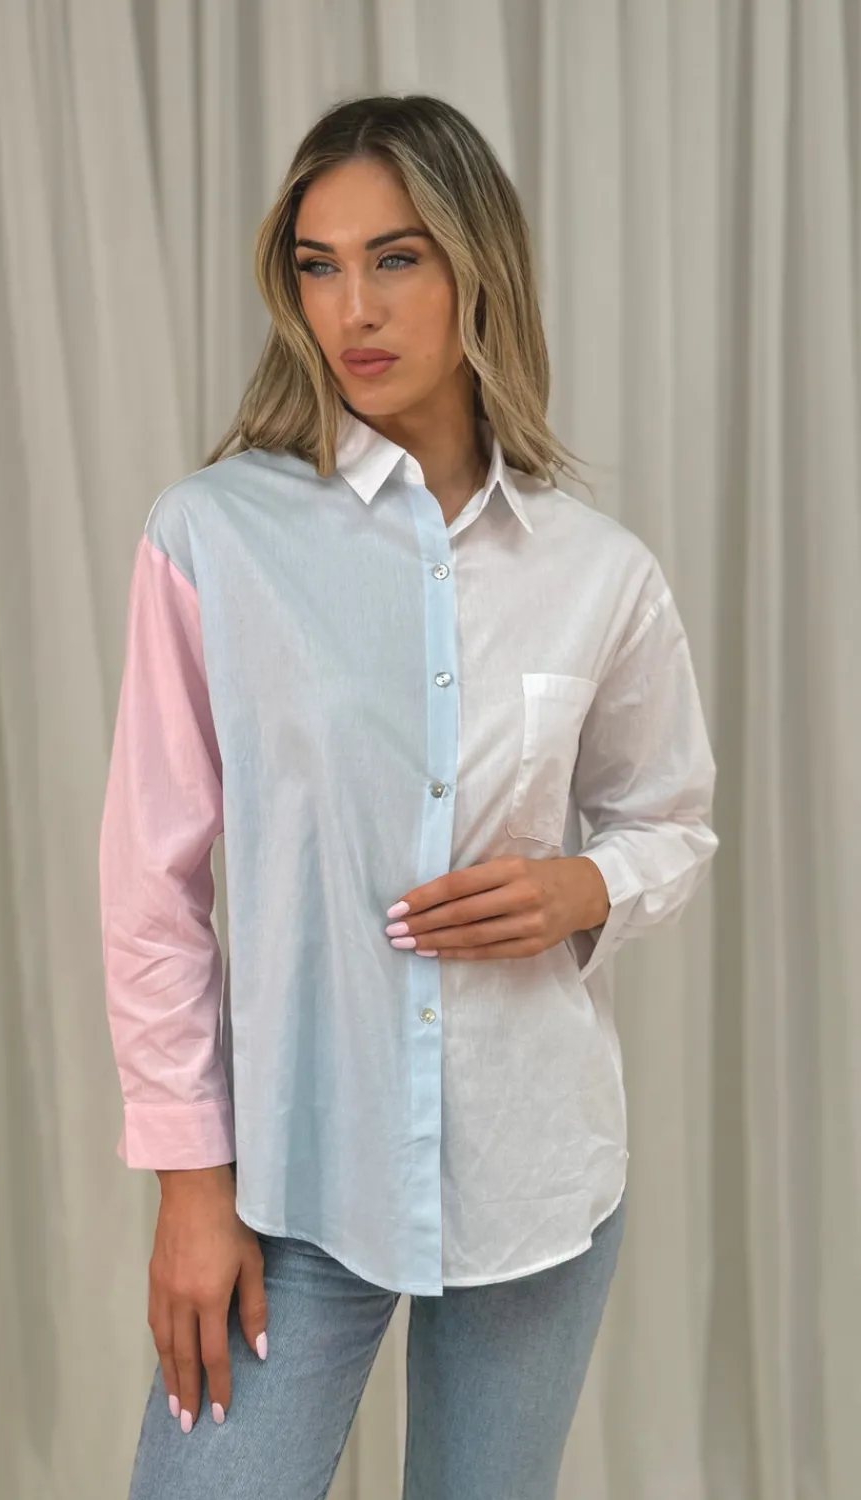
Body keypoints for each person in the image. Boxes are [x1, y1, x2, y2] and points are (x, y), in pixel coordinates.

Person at [98, 93, 719, 1500]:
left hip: (535, 1174)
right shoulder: (214, 534)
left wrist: (587, 886)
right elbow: (151, 887)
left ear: (475, 265)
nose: (353, 308)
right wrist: (190, 1183)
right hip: (296, 1180)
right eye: (318, 265)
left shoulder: (598, 571)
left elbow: (671, 819)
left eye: (396, 258)